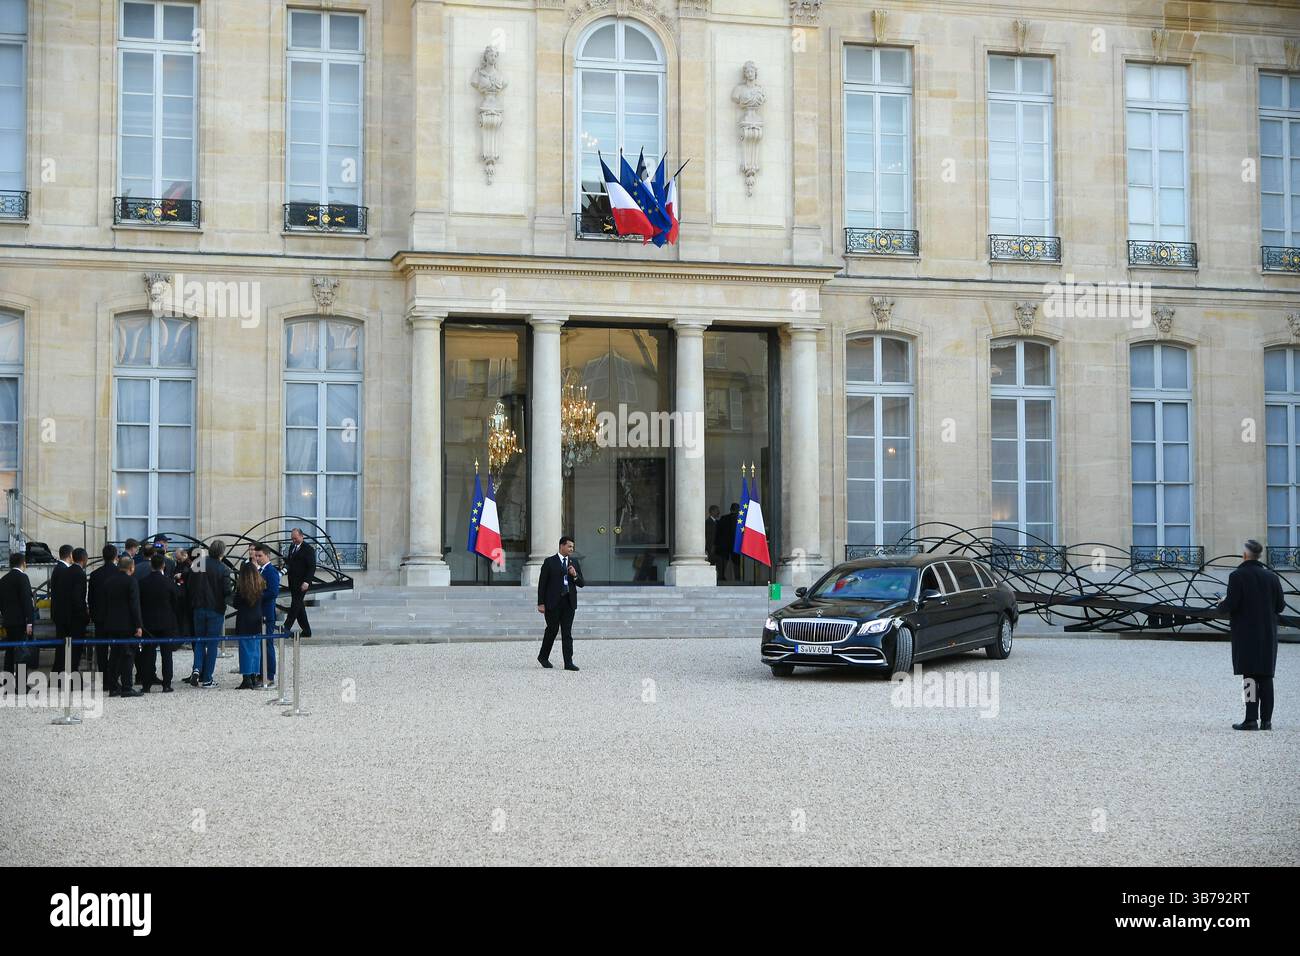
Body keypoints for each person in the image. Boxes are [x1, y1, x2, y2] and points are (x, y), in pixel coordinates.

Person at [1220, 538, 1285, 731]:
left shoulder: (1237, 576)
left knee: (1249, 678)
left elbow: (1230, 605)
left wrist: (1221, 603)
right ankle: (1266, 721)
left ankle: (1250, 719)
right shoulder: (1272, 577)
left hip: (1246, 634)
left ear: (1245, 555)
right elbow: (1280, 606)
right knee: (1266, 676)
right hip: (1267, 633)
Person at [186, 540, 232, 688]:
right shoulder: (224, 569)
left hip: (198, 607)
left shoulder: (198, 564)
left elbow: (190, 586)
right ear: (222, 553)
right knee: (212, 644)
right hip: (215, 609)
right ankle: (207, 679)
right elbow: (227, 592)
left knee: (199, 641)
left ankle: (197, 669)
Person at [536, 536, 584, 671]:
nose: (571, 549)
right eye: (569, 546)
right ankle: (543, 657)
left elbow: (581, 583)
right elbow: (542, 584)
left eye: (572, 547)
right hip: (552, 603)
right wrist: (541, 603)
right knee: (552, 630)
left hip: (569, 602)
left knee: (567, 633)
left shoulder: (574, 562)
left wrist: (574, 575)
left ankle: (568, 663)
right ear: (562, 546)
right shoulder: (549, 562)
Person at [138, 552, 182, 693]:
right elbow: (176, 602)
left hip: (148, 623)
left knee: (148, 655)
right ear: (163, 565)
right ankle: (166, 684)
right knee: (166, 655)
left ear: (151, 565)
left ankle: (146, 685)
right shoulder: (169, 582)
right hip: (166, 622)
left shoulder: (143, 583)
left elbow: (139, 603)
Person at [100, 557, 143, 698]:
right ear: (131, 567)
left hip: (111, 623)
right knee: (128, 655)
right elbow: (134, 605)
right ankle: (126, 686)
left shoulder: (109, 582)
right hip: (127, 624)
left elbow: (104, 604)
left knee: (114, 656)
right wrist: (138, 625)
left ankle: (113, 687)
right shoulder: (131, 581)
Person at [51, 548, 89, 679]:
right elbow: (78, 598)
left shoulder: (65, 572)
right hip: (75, 618)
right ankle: (71, 678)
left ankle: (57, 678)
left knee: (62, 650)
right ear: (84, 559)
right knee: (75, 650)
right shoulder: (80, 574)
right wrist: (84, 615)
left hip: (63, 617)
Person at [88, 544, 121, 693]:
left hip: (100, 617)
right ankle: (114, 680)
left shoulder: (95, 575)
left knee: (101, 650)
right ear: (116, 557)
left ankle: (105, 681)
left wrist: (93, 615)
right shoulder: (120, 573)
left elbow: (91, 599)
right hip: (116, 617)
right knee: (116, 650)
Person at [0, 553, 35, 688]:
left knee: (9, 652)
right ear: (23, 563)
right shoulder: (23, 578)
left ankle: (8, 682)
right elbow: (27, 602)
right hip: (21, 622)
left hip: (8, 621)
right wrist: (29, 622)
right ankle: (21, 685)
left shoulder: (3, 579)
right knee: (21, 652)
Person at [233, 561, 266, 690]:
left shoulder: (242, 587)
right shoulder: (260, 584)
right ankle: (253, 675)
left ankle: (247, 678)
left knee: (245, 650)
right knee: (255, 650)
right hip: (257, 618)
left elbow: (236, 603)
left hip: (244, 620)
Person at [252, 543, 281, 685]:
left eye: (260, 556)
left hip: (267, 613)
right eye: (256, 556)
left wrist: (256, 595)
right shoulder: (260, 570)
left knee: (267, 644)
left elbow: (273, 592)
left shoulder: (271, 571)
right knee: (260, 645)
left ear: (267, 556)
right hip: (259, 613)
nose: (257, 558)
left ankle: (269, 675)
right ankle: (261, 672)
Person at [283, 528, 315, 638]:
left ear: (302, 536)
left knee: (295, 604)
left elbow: (312, 567)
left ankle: (286, 627)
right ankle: (307, 631)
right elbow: (290, 562)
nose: (294, 541)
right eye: (292, 539)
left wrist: (307, 581)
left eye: (295, 538)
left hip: (302, 583)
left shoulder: (308, 549)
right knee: (299, 606)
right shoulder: (292, 547)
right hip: (292, 582)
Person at [48, 544, 73, 672]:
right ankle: (58, 673)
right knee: (64, 646)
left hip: (59, 613)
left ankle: (58, 672)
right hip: (64, 615)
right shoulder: (63, 570)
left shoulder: (59, 568)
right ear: (70, 555)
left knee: (62, 646)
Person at [716, 503, 741, 583]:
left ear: (731, 509)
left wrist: (717, 544)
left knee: (724, 562)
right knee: (736, 564)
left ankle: (721, 577)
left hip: (724, 545)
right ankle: (738, 578)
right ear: (737, 510)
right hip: (736, 544)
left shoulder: (723, 518)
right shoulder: (740, 520)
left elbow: (718, 532)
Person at [706, 506, 722, 582]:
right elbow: (708, 536)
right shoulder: (707, 522)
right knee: (711, 563)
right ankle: (710, 579)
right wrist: (709, 547)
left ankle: (719, 578)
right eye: (716, 511)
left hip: (718, 548)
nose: (718, 512)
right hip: (711, 547)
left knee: (719, 563)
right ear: (711, 511)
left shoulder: (718, 522)